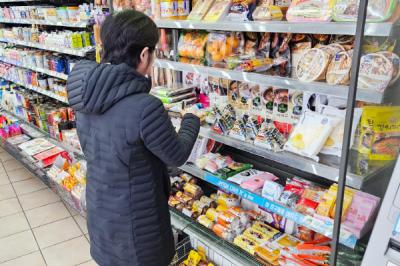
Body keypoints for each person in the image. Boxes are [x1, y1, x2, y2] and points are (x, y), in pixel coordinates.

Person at [66, 10, 200, 266]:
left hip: (101, 212)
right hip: (138, 226)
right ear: (143, 54)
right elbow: (177, 155)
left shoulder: (85, 95)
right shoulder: (144, 107)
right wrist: (191, 120)